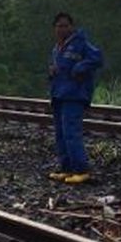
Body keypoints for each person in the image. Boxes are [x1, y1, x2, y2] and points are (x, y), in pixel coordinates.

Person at [47, 13, 104, 184]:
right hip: (59, 94)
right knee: (61, 133)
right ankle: (66, 168)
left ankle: (81, 169)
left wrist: (80, 67)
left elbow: (97, 58)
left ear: (71, 27)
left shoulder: (81, 44)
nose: (62, 29)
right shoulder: (57, 48)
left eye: (65, 26)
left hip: (74, 94)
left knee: (71, 132)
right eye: (58, 26)